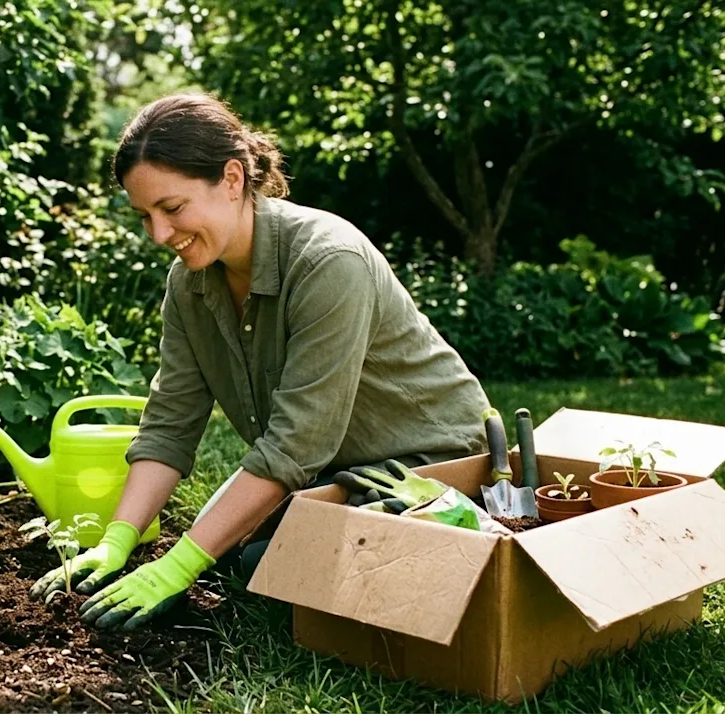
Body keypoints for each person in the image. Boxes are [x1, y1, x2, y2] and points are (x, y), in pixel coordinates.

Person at [28, 92, 492, 631]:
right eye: (145, 216)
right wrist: (117, 540)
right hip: (333, 472)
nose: (158, 234)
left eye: (172, 209)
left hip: (433, 469)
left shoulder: (327, 262)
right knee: (230, 563)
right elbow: (170, 424)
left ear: (230, 179)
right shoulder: (189, 285)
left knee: (257, 567)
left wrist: (177, 564)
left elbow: (296, 441)